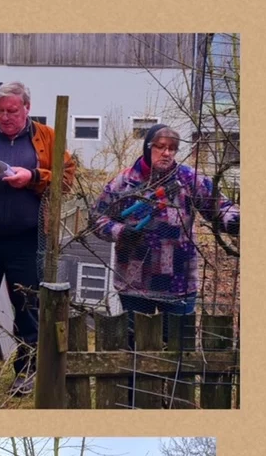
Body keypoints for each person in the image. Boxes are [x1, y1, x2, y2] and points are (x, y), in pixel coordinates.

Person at [0, 81, 77, 397]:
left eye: (11, 111)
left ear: (27, 109)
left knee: (29, 305)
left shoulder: (47, 139)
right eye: (0, 111)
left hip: (28, 239)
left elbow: (67, 179)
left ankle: (28, 371)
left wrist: (33, 177)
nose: (4, 117)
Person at [90, 124, 239, 348]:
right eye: (160, 147)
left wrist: (234, 221)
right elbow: (96, 219)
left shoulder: (188, 179)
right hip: (134, 282)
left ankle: (174, 385)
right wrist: (120, 231)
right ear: (147, 147)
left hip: (178, 283)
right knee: (136, 349)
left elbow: (221, 207)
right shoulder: (124, 182)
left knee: (178, 351)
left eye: (172, 148)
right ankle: (135, 384)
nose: (167, 153)